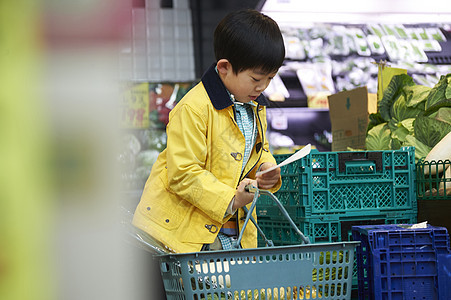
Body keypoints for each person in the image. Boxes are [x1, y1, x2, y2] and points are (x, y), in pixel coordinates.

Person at [132, 9, 285, 253]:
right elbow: (183, 172)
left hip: (230, 231)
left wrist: (267, 168)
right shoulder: (194, 108)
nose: (263, 86)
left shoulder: (253, 106)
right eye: (256, 79)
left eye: (270, 78)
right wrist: (232, 199)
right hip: (181, 235)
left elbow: (259, 149)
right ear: (224, 68)